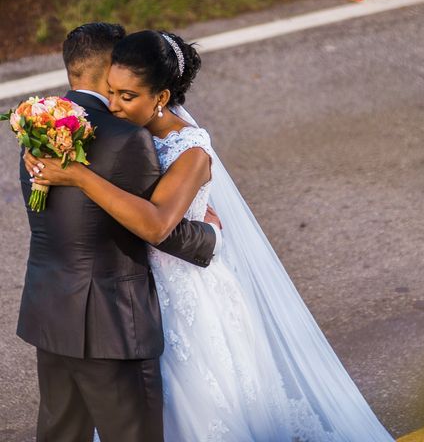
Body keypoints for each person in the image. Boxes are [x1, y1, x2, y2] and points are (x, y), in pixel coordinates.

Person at [26, 29, 395, 441]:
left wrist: (78, 175)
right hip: (137, 295)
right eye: (111, 92)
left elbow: (156, 224)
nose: (113, 105)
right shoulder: (116, 131)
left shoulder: (190, 150)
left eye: (126, 96)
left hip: (186, 294)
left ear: (161, 97)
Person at [18, 23, 220, 442]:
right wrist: (209, 236)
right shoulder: (127, 139)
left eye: (126, 92)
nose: (116, 99)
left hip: (50, 309)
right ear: (112, 67)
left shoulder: (37, 126)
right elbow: (153, 227)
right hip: (113, 318)